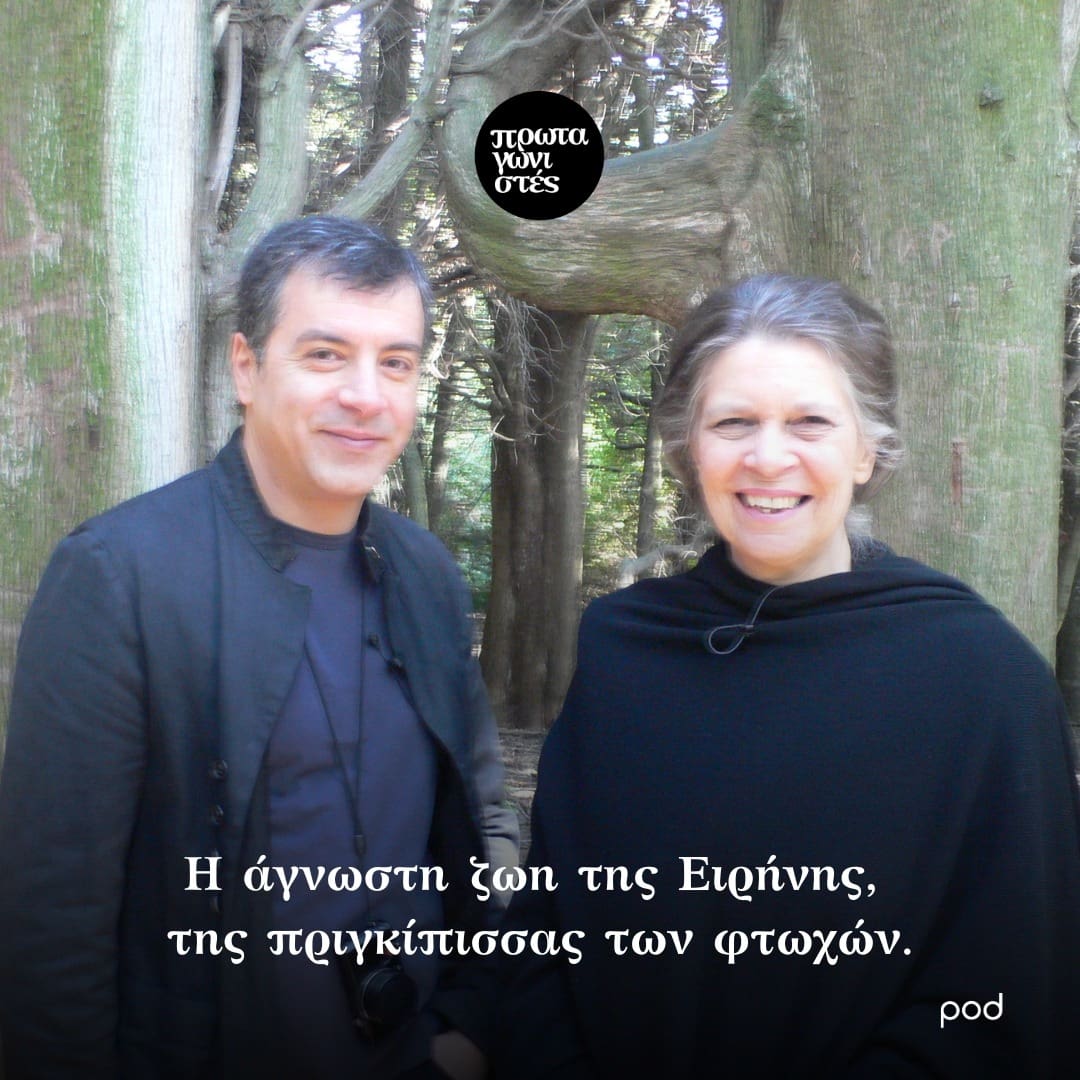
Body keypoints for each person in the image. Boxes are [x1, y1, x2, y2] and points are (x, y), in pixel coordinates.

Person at [493, 274, 1080, 1078]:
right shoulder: (624, 649)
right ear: (690, 446)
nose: (768, 458)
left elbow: (1006, 993)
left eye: (810, 422)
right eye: (734, 422)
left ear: (867, 449)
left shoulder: (981, 678)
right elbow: (550, 927)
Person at [0, 215, 518, 1079]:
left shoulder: (425, 572)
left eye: (396, 362)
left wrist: (468, 1029)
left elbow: (479, 810)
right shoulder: (120, 573)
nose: (366, 395)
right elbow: (53, 915)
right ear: (246, 367)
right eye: (325, 355)